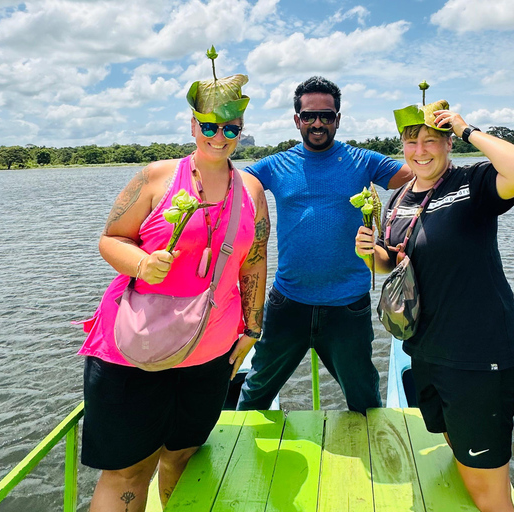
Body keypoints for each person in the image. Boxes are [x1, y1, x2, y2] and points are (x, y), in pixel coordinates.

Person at [76, 60, 269, 512]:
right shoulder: (156, 177)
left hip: (209, 352)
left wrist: (253, 329)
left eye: (231, 129)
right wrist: (142, 264)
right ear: (193, 125)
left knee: (184, 457)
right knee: (127, 470)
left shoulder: (253, 190)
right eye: (209, 126)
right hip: (134, 349)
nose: (219, 137)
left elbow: (254, 265)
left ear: (241, 130)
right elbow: (111, 238)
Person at [355, 100, 514, 512]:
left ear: (448, 144)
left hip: (479, 355)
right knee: (462, 463)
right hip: (426, 351)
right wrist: (370, 253)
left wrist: (465, 126)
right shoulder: (399, 196)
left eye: (432, 140)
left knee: (490, 494)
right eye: (411, 141)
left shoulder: (471, 185)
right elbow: (394, 262)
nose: (420, 150)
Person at [237, 76, 413, 414]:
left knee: (365, 404)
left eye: (327, 116)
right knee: (254, 397)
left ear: (338, 119)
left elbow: (422, 176)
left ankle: (372, 464)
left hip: (348, 308)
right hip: (288, 303)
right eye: (309, 116)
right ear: (297, 120)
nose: (318, 123)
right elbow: (232, 184)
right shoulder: (275, 165)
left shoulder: (363, 162)